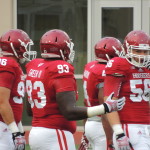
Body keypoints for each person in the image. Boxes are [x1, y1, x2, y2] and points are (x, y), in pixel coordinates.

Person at [25, 29, 125, 150]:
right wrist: (105, 108)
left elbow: (30, 111)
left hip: (36, 133)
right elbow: (69, 111)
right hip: (55, 134)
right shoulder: (60, 68)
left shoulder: (35, 65)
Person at [104, 30, 150, 150]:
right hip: (128, 127)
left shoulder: (147, 67)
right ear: (126, 49)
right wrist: (119, 132)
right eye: (137, 50)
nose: (141, 55)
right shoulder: (119, 65)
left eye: (145, 51)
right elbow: (109, 102)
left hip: (146, 125)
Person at [78, 37, 124, 150]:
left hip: (91, 122)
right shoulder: (105, 71)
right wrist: (110, 140)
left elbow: (86, 103)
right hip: (102, 126)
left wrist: (85, 131)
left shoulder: (91, 66)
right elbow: (105, 108)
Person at [0, 29, 36, 150]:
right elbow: (1, 101)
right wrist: (15, 131)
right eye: (25, 46)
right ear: (16, 47)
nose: (27, 50)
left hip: (7, 126)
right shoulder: (8, 65)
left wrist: (19, 129)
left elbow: (14, 100)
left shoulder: (14, 65)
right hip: (3, 127)